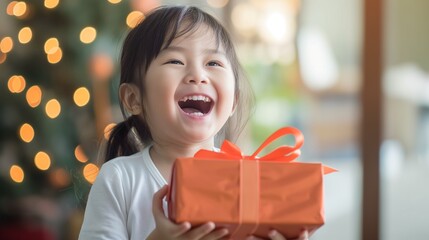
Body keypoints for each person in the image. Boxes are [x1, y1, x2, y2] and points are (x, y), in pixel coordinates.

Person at [79, 5, 309, 240]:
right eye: (175, 61)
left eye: (213, 64)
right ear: (134, 99)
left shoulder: (247, 183)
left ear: (233, 102)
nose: (198, 75)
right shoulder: (120, 179)